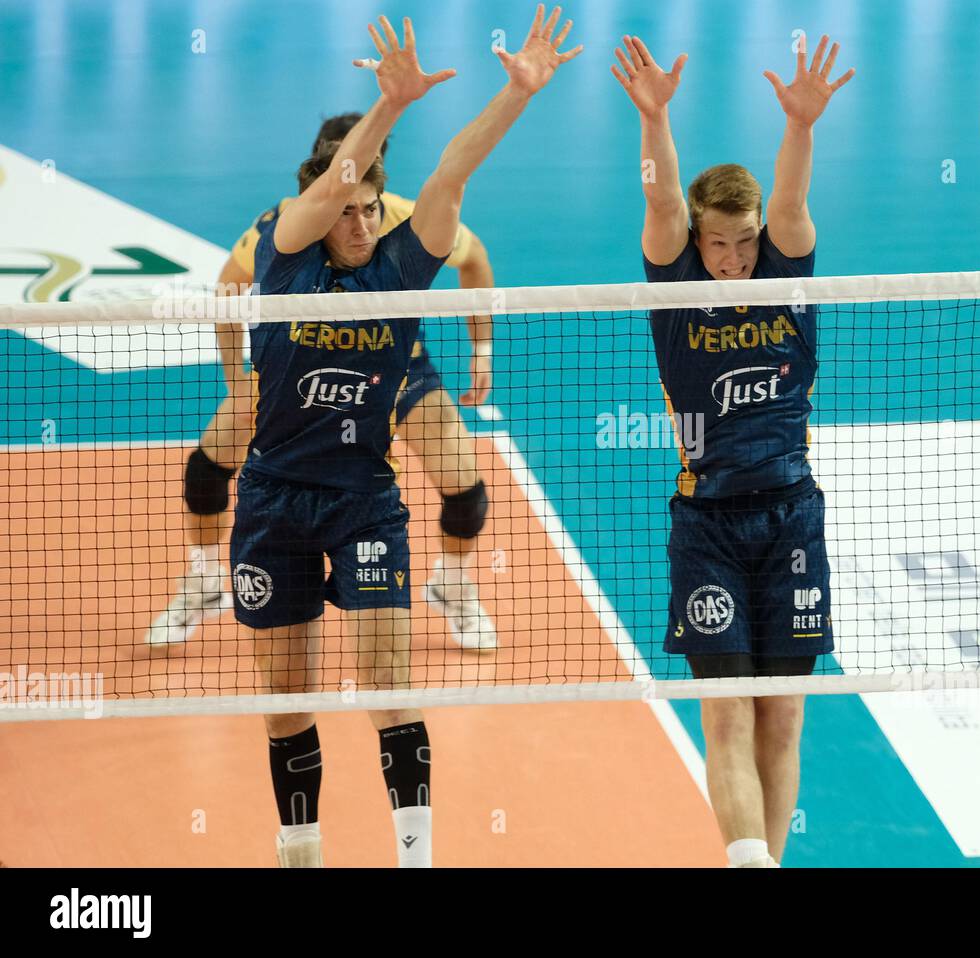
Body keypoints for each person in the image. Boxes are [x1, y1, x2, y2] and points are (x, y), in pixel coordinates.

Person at [238, 8, 581, 868]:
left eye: (367, 211)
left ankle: (416, 859)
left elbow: (455, 170)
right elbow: (330, 184)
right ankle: (301, 850)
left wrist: (518, 93)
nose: (358, 222)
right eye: (345, 209)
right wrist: (386, 105)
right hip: (273, 499)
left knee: (389, 688)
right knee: (287, 703)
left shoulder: (399, 269)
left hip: (363, 502)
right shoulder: (284, 257)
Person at [612, 33, 852, 867]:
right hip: (707, 524)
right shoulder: (677, 290)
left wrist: (802, 128)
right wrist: (655, 119)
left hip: (792, 517)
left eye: (744, 241)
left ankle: (767, 861)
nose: (734, 257)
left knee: (782, 718)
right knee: (727, 715)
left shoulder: (784, 273)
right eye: (719, 243)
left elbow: (789, 200)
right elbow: (662, 205)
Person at [146, 113, 499, 650]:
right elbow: (227, 289)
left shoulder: (400, 214)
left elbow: (474, 261)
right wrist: (236, 379)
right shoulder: (283, 226)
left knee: (465, 489)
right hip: (294, 374)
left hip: (398, 372)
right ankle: (202, 578)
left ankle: (451, 582)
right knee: (207, 466)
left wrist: (482, 349)